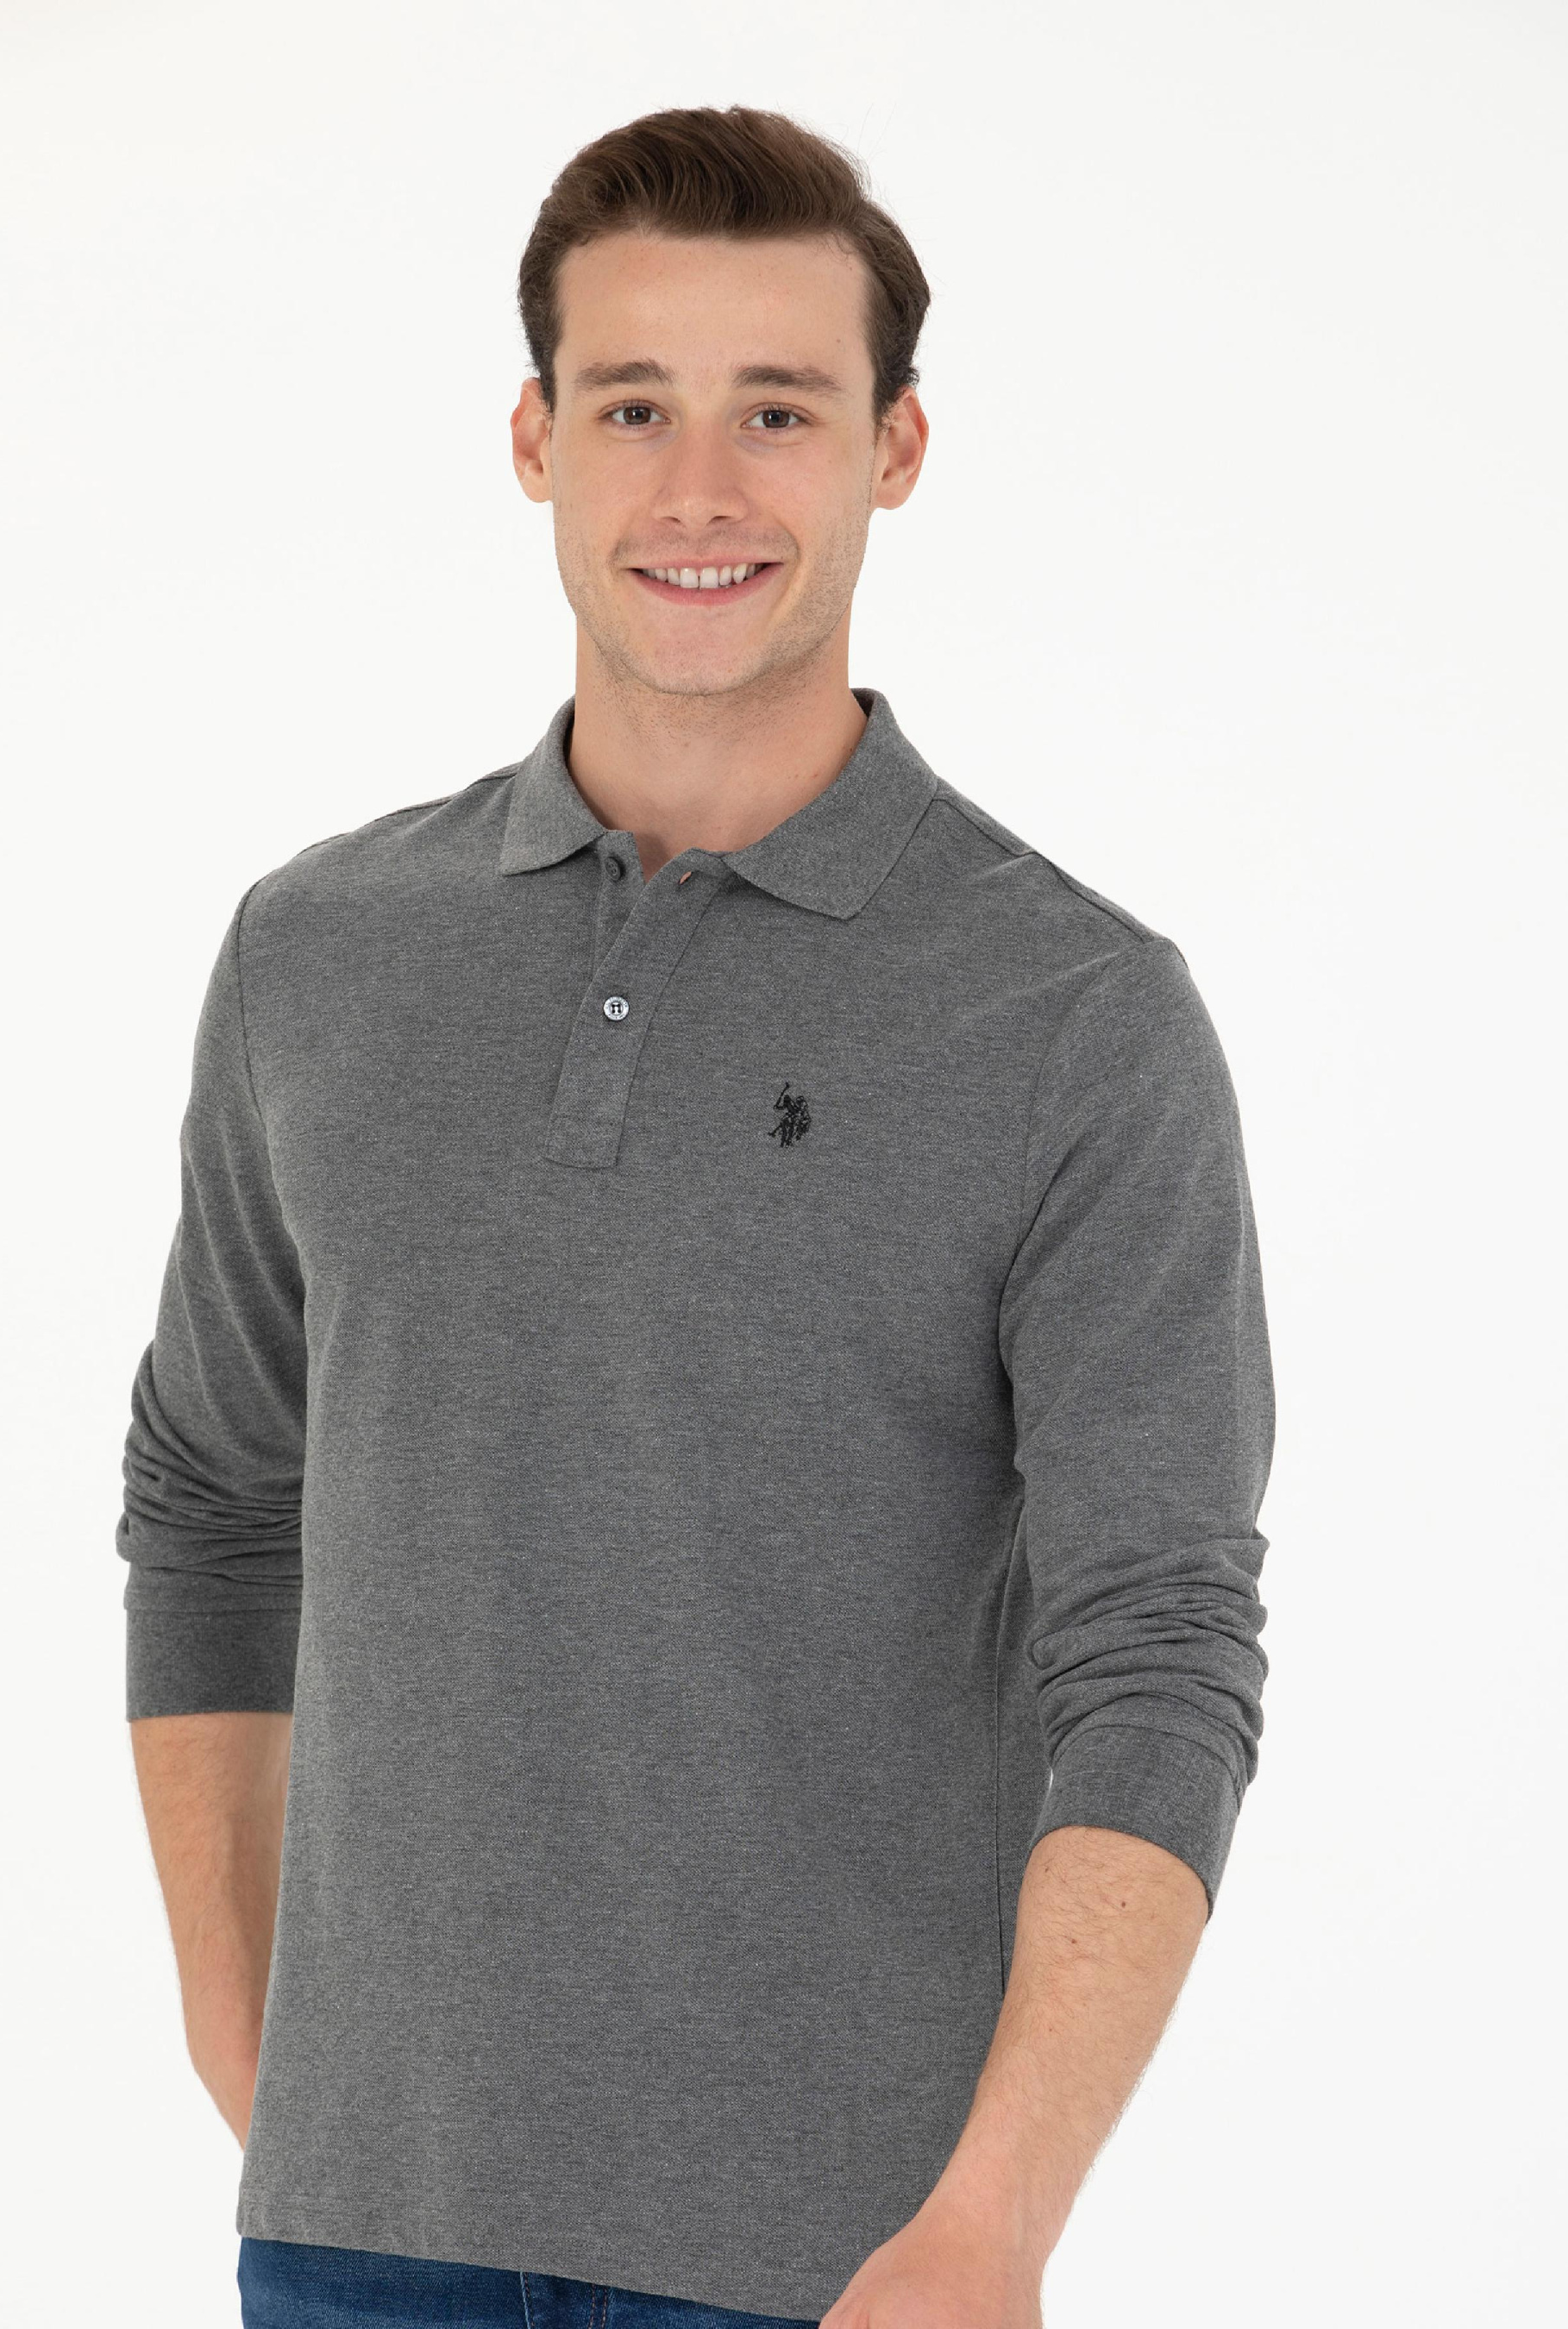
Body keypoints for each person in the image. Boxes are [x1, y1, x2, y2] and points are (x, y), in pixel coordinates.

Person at [118, 103, 1276, 2329]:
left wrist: (994, 2223)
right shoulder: (316, 954)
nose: (702, 490)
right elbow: (212, 1500)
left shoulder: (1073, 1015)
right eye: (636, 406)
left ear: (895, 449)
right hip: (357, 2234)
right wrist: (252, 2044)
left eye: (781, 409)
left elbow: (1156, 1653)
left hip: (849, 2260)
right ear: (535, 440)